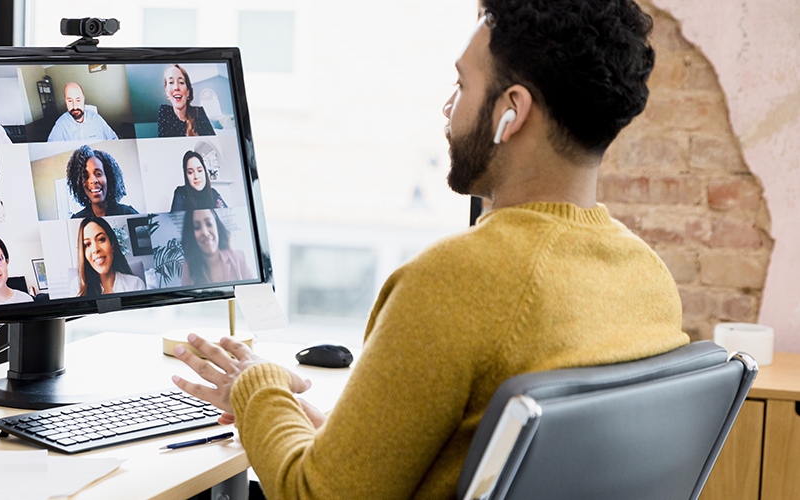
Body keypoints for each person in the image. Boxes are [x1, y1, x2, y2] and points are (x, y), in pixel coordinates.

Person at [170, 2, 690, 499]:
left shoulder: (455, 280)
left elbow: (318, 496)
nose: (449, 108)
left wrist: (256, 385)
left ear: (512, 111)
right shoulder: (648, 280)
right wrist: (291, 411)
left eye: (463, 85)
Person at [70, 216, 145, 296]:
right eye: (87, 244)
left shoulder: (135, 284)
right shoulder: (77, 287)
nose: (95, 249)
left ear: (112, 245)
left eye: (101, 239)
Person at [65, 145, 139, 218]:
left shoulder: (128, 214)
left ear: (108, 177)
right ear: (79, 184)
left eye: (98, 174)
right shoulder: (77, 220)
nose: (93, 181)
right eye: (86, 176)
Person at [180, 209, 250, 286]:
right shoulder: (188, 267)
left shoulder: (239, 257)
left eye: (209, 224)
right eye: (197, 227)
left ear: (218, 228)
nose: (205, 233)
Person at [47, 82, 119, 142]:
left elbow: (114, 140)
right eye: (70, 101)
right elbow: (51, 150)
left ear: (83, 99)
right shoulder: (60, 125)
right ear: (65, 101)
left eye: (78, 100)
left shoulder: (96, 119)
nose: (74, 106)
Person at [157, 64, 215, 137]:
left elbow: (212, 143)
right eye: (171, 82)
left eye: (181, 82)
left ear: (188, 92)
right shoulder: (165, 111)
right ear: (167, 91)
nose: (176, 87)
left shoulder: (199, 112)